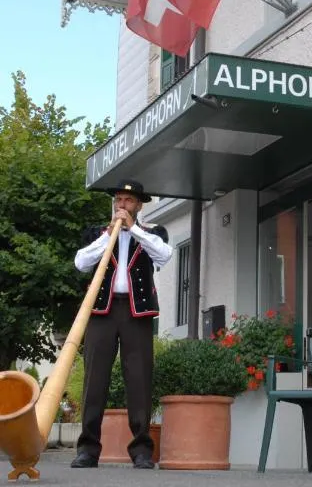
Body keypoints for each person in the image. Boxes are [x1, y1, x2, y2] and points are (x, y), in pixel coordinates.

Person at [70, 179, 172, 470]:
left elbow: (165, 255)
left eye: (128, 201)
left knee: (139, 379)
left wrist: (134, 230)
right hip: (102, 311)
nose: (122, 205)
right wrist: (110, 235)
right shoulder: (96, 233)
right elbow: (81, 263)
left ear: (139, 205)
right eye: (118, 199)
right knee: (95, 380)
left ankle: (141, 450)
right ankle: (88, 449)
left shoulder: (153, 233)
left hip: (136, 313)